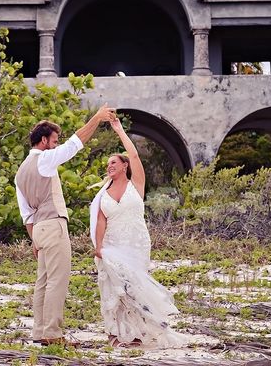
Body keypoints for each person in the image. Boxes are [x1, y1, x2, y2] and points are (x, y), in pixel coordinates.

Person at [15, 104, 115, 346]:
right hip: (53, 225)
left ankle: (40, 332)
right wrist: (97, 118)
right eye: (54, 140)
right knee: (57, 281)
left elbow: (26, 213)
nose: (57, 144)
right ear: (43, 141)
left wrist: (34, 239)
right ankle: (52, 333)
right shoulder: (45, 160)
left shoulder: (20, 172)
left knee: (43, 282)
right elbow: (75, 143)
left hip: (38, 229)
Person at [90, 117, 187, 348]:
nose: (109, 166)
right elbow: (100, 223)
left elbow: (133, 154)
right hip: (112, 245)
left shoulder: (137, 185)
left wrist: (118, 129)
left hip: (136, 243)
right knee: (114, 290)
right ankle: (114, 333)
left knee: (134, 288)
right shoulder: (103, 194)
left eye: (114, 162)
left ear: (125, 166)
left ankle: (137, 332)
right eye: (107, 164)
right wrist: (99, 248)